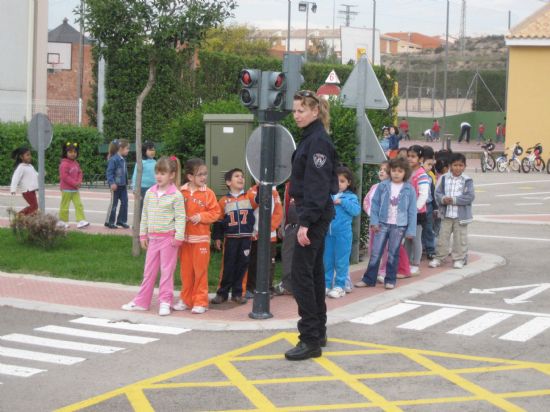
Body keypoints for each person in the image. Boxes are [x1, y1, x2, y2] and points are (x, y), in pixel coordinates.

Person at [284, 90, 338, 361]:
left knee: (300, 276)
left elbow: (316, 187)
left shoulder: (317, 142)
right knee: (313, 274)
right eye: (295, 111)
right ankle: (318, 333)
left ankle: (309, 339)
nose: (297, 115)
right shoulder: (312, 138)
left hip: (312, 214)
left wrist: (305, 223)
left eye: (301, 110)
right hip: (312, 213)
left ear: (315, 112)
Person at [121, 156, 186, 316]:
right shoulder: (150, 192)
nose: (159, 176)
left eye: (163, 173)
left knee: (166, 272)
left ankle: (165, 301)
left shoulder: (176, 195)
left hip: (168, 240)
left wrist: (178, 237)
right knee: (149, 272)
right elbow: (145, 215)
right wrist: (142, 235)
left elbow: (180, 217)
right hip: (153, 239)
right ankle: (142, 301)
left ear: (171, 175)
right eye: (157, 172)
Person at [355, 157, 417, 289]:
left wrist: (411, 230)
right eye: (394, 170)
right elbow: (375, 205)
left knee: (393, 253)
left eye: (400, 171)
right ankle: (368, 279)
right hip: (382, 224)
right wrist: (374, 222)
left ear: (405, 173)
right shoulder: (383, 186)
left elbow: (412, 211)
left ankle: (390, 279)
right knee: (376, 252)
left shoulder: (409, 189)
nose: (396, 173)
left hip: (399, 226)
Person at [173, 158, 220, 314]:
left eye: (205, 174)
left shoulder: (209, 193)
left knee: (200, 272)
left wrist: (201, 217)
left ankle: (200, 301)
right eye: (200, 174)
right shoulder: (181, 191)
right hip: (184, 240)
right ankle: (186, 300)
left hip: (201, 240)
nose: (203, 177)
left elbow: (216, 213)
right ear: (190, 177)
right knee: (186, 272)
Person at [211, 168, 258, 305]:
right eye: (236, 176)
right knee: (228, 266)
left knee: (242, 266)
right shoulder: (223, 201)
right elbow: (219, 221)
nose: (240, 178)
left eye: (242, 176)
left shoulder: (249, 197)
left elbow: (260, 199)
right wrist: (218, 238)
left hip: (245, 239)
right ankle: (222, 293)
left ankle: (238, 293)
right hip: (230, 239)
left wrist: (261, 184)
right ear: (228, 182)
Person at [429, 152, 475, 269]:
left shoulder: (467, 180)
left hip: (461, 216)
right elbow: (437, 193)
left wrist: (454, 200)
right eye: (455, 165)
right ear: (450, 166)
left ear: (465, 166)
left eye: (461, 165)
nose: (458, 168)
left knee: (460, 239)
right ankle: (439, 257)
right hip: (446, 215)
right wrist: (443, 199)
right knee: (442, 238)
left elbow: (470, 196)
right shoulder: (444, 178)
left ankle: (459, 259)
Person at [324, 166, 361, 299]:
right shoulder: (328, 195)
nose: (338, 184)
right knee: (327, 260)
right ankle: (327, 284)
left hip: (343, 235)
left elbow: (356, 211)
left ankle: (340, 285)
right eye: (335, 180)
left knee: (341, 261)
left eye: (342, 181)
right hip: (327, 234)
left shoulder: (350, 197)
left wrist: (342, 202)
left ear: (348, 183)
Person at [244, 182, 283, 299]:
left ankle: (267, 288)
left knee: (269, 263)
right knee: (252, 262)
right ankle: (251, 288)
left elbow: (278, 212)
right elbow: (248, 207)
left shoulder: (274, 193)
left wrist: (269, 228)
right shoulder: (251, 191)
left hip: (269, 236)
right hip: (254, 235)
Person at [404, 145, 430, 276]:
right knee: (407, 238)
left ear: (420, 158)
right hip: (406, 212)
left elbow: (423, 195)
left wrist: (414, 210)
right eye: (408, 156)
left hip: (418, 213)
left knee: (415, 238)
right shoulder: (407, 172)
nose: (410, 159)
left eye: (413, 156)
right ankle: (406, 262)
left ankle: (416, 264)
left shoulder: (422, 174)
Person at [273, 181, 297, 296]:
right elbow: (285, 207)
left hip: (306, 227)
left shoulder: (312, 180)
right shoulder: (289, 185)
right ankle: (287, 285)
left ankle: (301, 286)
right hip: (291, 227)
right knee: (287, 255)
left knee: (304, 258)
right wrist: (283, 226)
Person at [58, 141, 89, 229]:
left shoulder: (75, 163)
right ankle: (62, 221)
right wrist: (75, 183)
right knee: (65, 206)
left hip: (75, 189)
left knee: (78, 205)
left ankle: (81, 220)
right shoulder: (64, 164)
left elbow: (80, 172)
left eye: (75, 152)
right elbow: (64, 177)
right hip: (66, 189)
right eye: (70, 152)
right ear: (66, 152)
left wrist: (79, 182)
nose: (73, 154)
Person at [105, 139, 130, 229]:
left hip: (123, 186)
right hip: (115, 186)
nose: (128, 150)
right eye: (127, 148)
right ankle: (109, 221)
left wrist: (127, 182)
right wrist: (112, 183)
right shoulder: (114, 159)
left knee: (125, 203)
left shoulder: (122, 159)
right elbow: (109, 173)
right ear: (121, 148)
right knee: (113, 204)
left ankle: (121, 220)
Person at [10, 147, 39, 216]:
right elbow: (15, 178)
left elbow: (36, 174)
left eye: (30, 155)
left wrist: (42, 174)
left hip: (32, 190)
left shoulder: (30, 166)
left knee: (34, 206)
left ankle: (28, 219)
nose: (30, 157)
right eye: (27, 155)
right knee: (34, 206)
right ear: (21, 157)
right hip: (27, 191)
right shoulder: (21, 167)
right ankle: (19, 215)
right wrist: (13, 189)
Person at [131, 141, 156, 218]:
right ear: (144, 151)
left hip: (153, 188)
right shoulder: (140, 162)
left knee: (152, 207)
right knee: (141, 207)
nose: (152, 152)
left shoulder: (156, 162)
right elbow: (135, 176)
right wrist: (135, 189)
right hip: (142, 189)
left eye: (153, 149)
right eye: (150, 150)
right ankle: (139, 223)